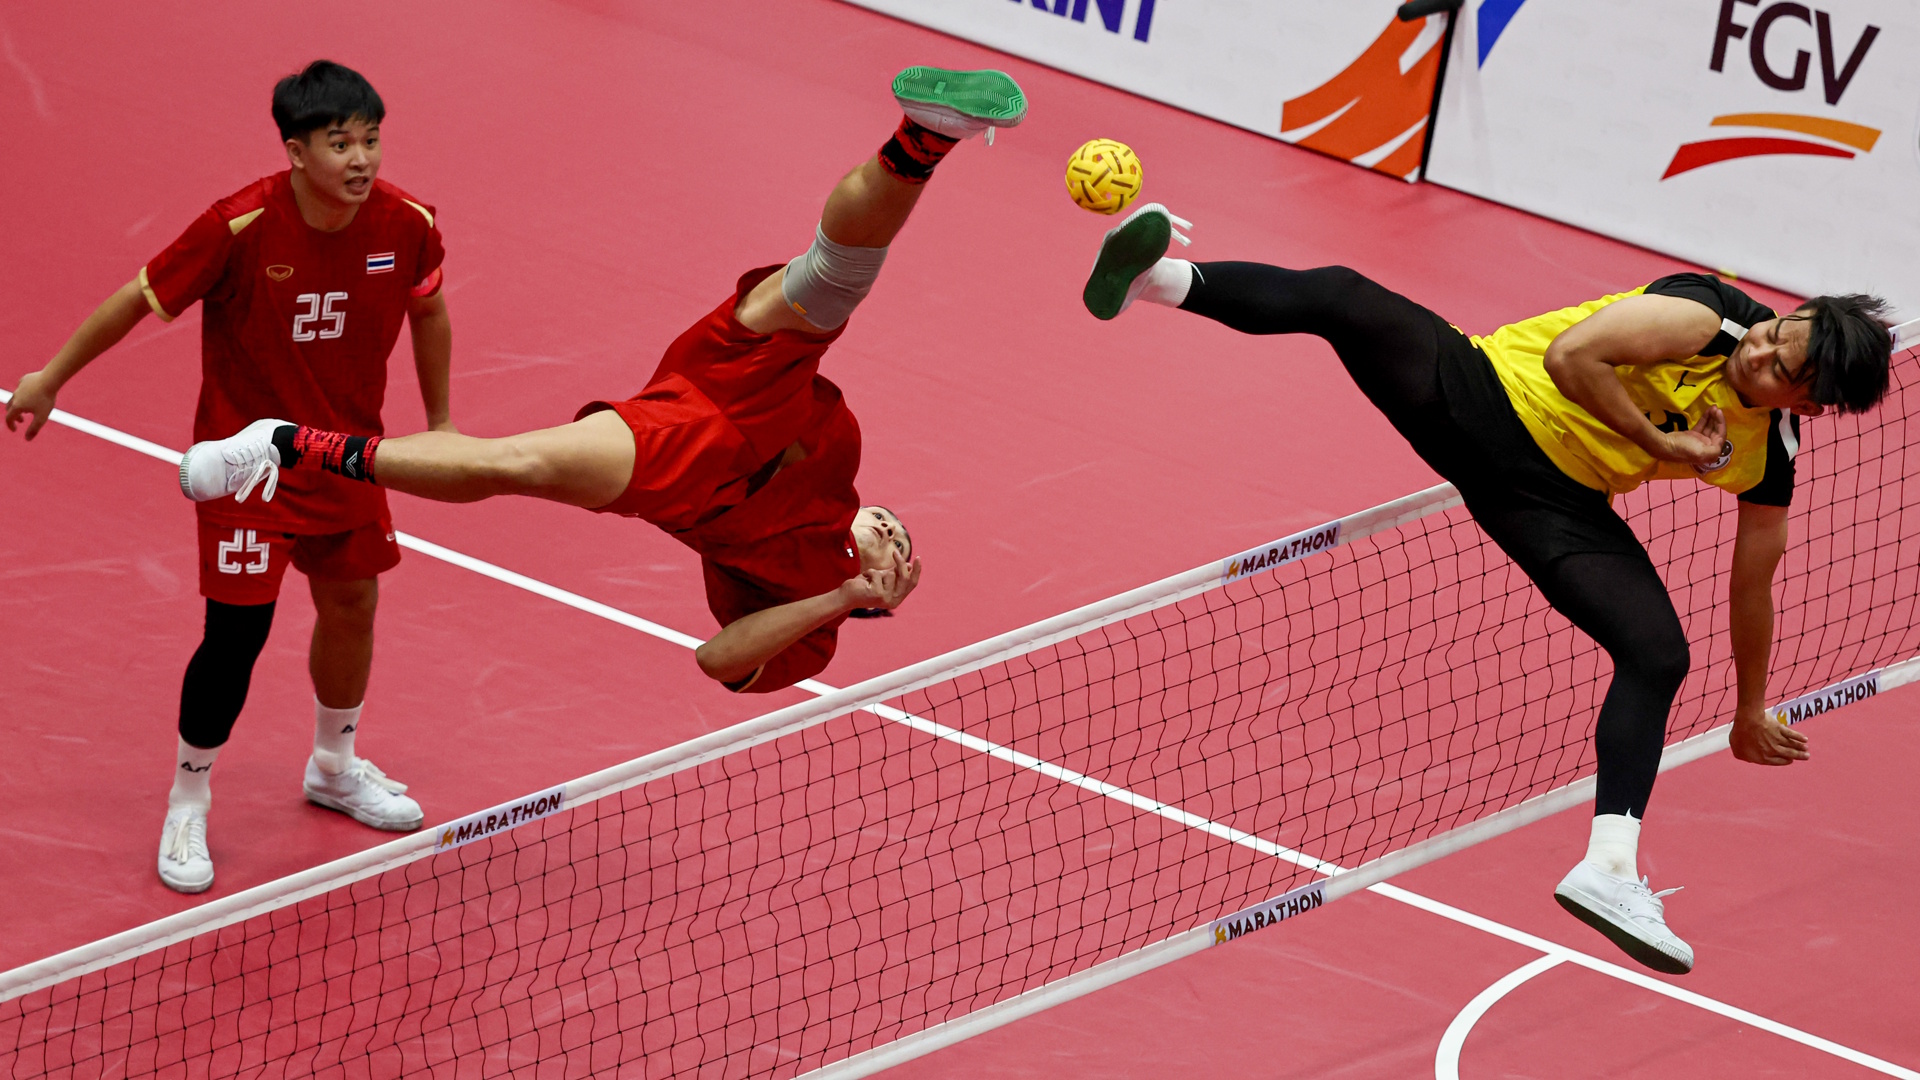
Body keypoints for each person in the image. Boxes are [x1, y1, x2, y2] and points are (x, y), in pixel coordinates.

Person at [1082, 203, 1893, 975]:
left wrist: (1751, 707)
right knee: (1342, 296)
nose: (1760, 351)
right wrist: (1666, 444)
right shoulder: (1706, 317)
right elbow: (1571, 357)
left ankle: (1610, 867)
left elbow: (1755, 584)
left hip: (1551, 502)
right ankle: (1156, 279)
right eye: (1778, 332)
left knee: (1656, 653)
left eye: (1781, 368)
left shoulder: (1771, 454)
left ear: (1809, 405)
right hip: (1483, 395)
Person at [177, 66, 1026, 697]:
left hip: (685, 471)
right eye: (899, 527)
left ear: (881, 591)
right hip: (732, 381)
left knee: (510, 466)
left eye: (897, 548)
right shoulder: (844, 459)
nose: (894, 532)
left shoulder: (814, 613)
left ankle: (285, 444)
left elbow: (719, 660)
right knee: (832, 280)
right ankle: (925, 136)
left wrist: (843, 596)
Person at [5, 61, 451, 893]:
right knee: (236, 635)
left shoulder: (409, 224)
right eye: (340, 143)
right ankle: (189, 796)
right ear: (296, 151)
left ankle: (333, 765)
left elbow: (429, 309)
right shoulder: (239, 226)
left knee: (353, 605)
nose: (361, 158)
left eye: (371, 139)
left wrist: (444, 424)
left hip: (345, 453)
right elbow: (138, 298)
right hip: (246, 466)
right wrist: (51, 376)